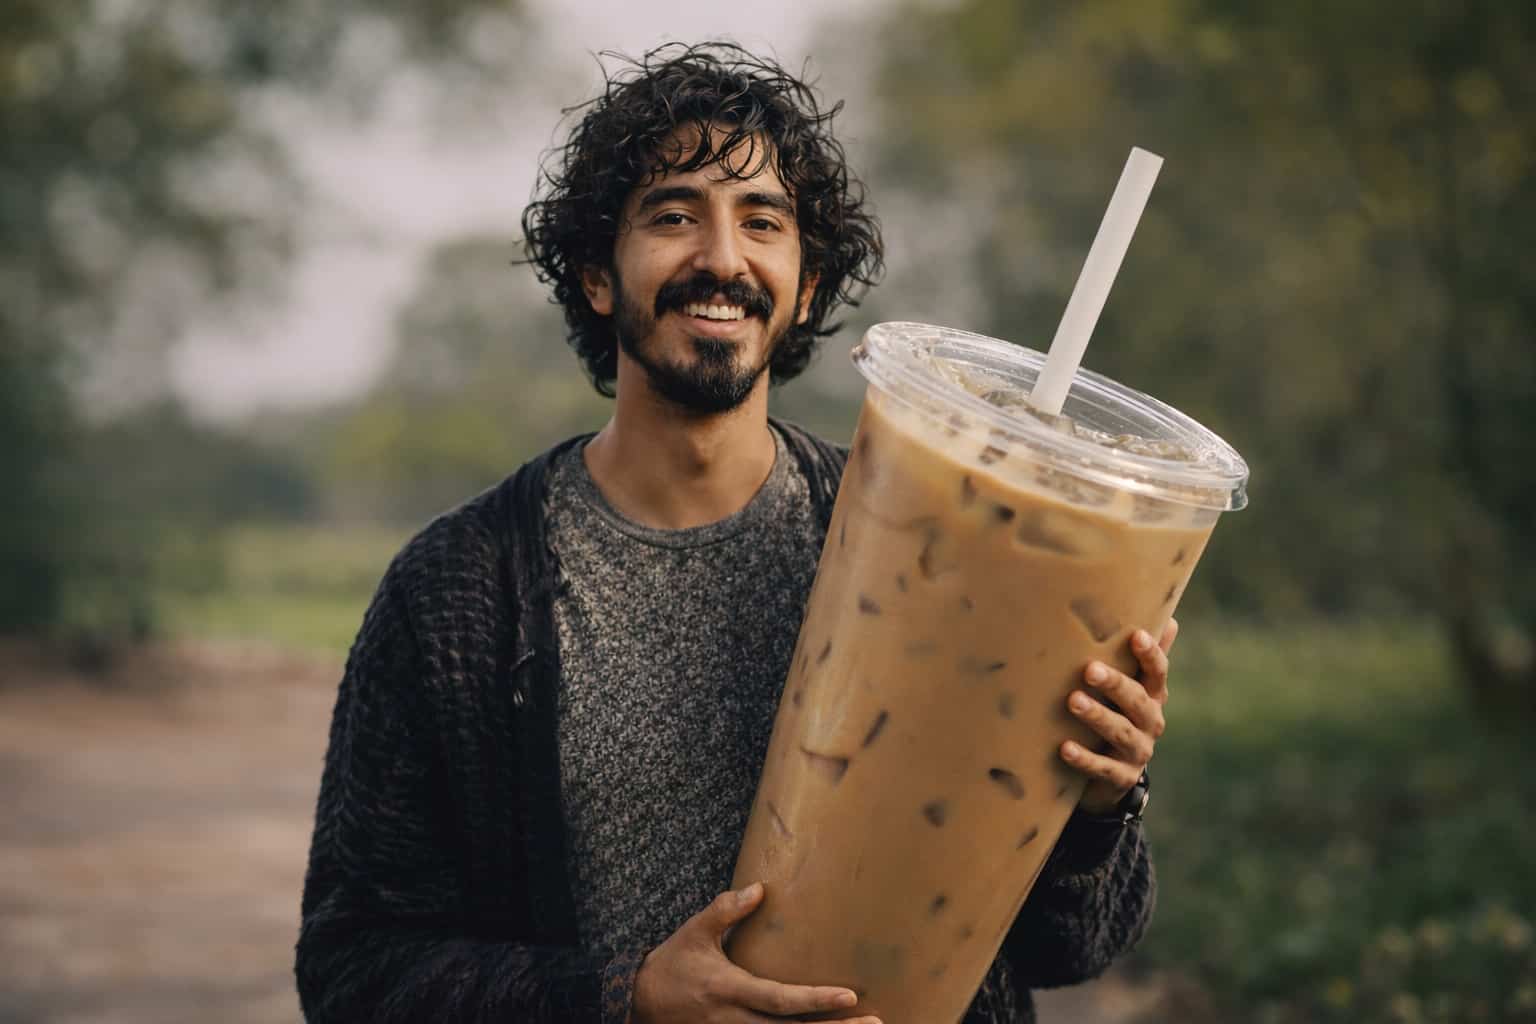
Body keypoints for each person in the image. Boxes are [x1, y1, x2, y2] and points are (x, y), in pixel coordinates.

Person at [295, 41, 1176, 1024]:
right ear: (596, 272)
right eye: (674, 216)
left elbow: (1075, 947)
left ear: (804, 288)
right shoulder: (458, 590)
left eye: (762, 222)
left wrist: (1101, 801)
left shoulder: (940, 547)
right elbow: (353, 968)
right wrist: (625, 999)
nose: (721, 256)